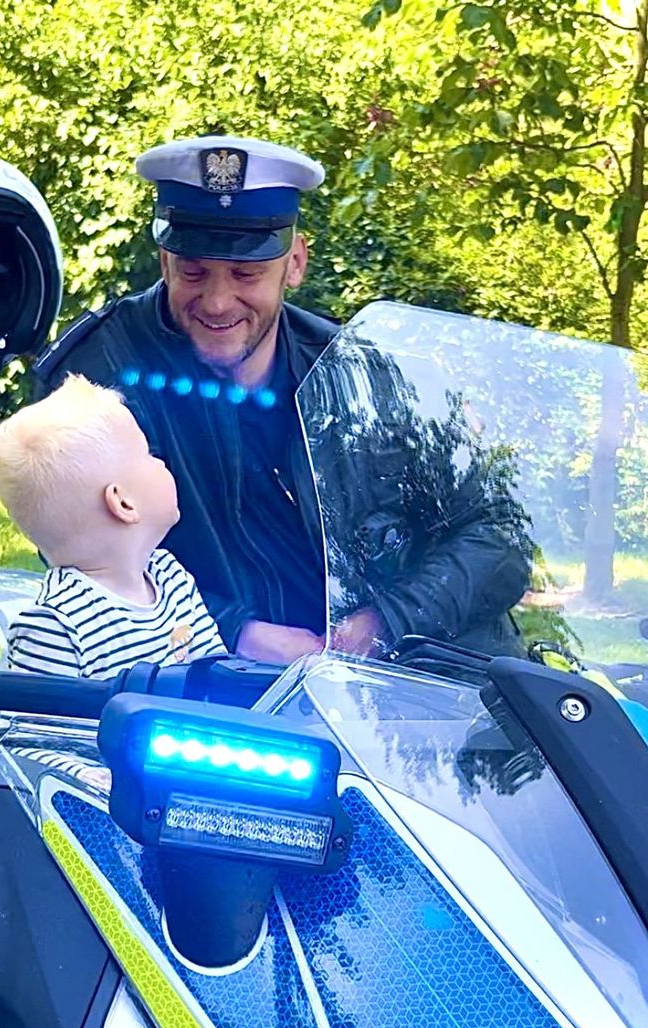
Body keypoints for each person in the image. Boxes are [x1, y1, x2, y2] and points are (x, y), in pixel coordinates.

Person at [32, 135, 530, 662]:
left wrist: (386, 621)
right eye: (194, 272)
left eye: (247, 273)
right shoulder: (98, 374)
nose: (218, 301)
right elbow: (71, 540)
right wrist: (236, 632)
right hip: (206, 682)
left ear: (294, 264)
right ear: (164, 261)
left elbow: (501, 535)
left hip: (406, 672)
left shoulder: (370, 373)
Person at [0, 373, 226, 677]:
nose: (162, 462)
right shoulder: (58, 628)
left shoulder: (170, 576)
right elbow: (36, 724)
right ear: (123, 503)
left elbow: (219, 678)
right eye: (147, 454)